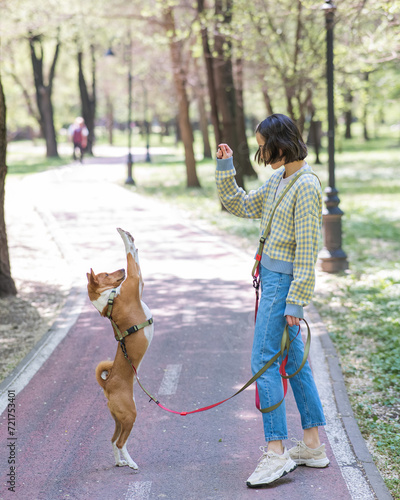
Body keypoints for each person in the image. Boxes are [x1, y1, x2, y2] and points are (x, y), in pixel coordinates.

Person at [215, 114, 329, 488]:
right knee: (294, 363)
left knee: (264, 360)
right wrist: (225, 166)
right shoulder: (280, 180)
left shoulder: (306, 185)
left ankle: (276, 451)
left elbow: (308, 249)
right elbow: (242, 205)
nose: (261, 152)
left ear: (281, 142)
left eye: (263, 145)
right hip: (271, 278)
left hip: (282, 285)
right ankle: (312, 444)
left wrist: (296, 303)